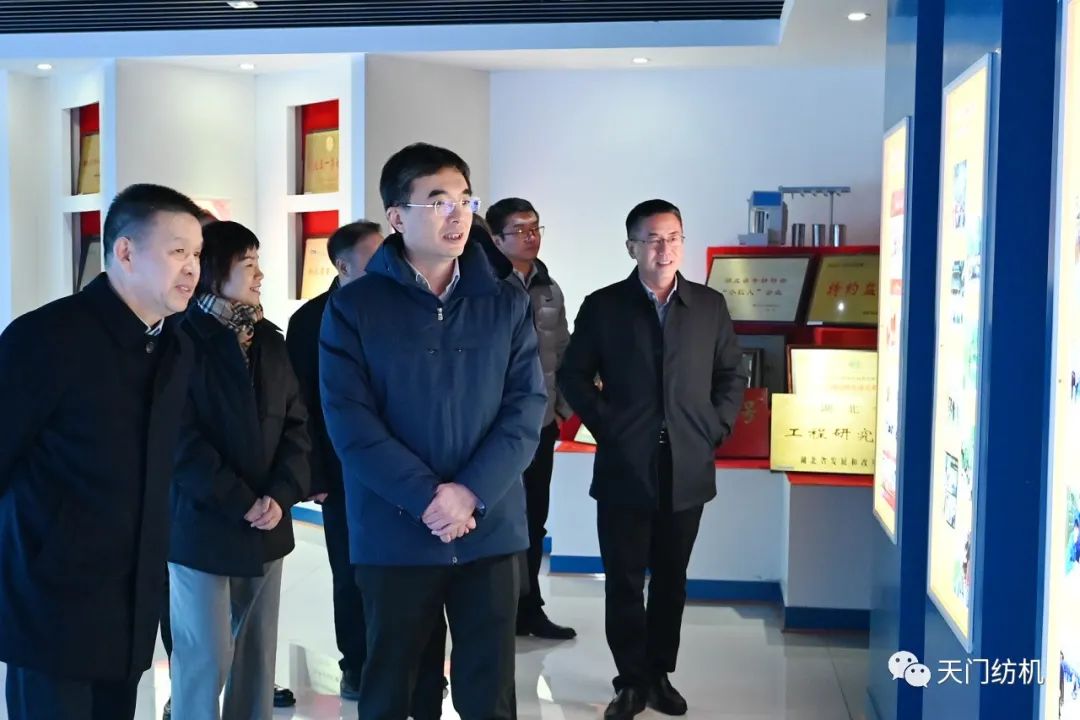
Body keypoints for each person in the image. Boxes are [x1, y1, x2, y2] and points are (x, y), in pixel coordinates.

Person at [320, 142, 546, 720]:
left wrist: (469, 493)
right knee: (395, 690)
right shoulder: (356, 307)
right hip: (395, 530)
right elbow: (350, 422)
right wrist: (428, 498)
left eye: (465, 200)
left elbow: (525, 408)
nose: (457, 214)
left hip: (488, 529)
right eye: (438, 201)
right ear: (397, 217)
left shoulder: (504, 300)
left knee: (489, 692)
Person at [0, 184, 203, 720]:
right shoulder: (46, 337)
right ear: (126, 252)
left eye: (197, 254)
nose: (191, 268)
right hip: (50, 606)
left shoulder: (175, 347)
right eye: (177, 251)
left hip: (129, 607)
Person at [557, 200, 745, 720]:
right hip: (625, 464)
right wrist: (608, 425)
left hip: (687, 462)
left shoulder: (708, 305)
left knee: (671, 577)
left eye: (674, 237)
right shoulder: (604, 306)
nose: (665, 249)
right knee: (623, 580)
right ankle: (630, 682)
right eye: (653, 239)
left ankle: (659, 674)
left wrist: (714, 427)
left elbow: (732, 374)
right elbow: (573, 374)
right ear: (632, 247)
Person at [286, 219, 448, 717]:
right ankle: (355, 662)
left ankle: (424, 671)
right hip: (342, 473)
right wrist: (314, 475)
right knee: (351, 573)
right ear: (343, 265)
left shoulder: (402, 305)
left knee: (421, 575)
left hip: (409, 469)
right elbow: (303, 404)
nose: (387, 263)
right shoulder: (311, 319)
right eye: (374, 256)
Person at [167, 220, 310, 720]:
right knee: (205, 655)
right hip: (202, 522)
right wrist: (240, 500)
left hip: (268, 521)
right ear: (214, 270)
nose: (260, 275)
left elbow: (297, 424)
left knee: (257, 657)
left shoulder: (268, 339)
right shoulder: (181, 339)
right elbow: (179, 440)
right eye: (248, 264)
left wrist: (281, 494)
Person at [487, 198, 576, 641]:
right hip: (493, 430)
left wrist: (560, 410)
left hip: (540, 426)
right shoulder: (483, 286)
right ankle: (495, 611)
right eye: (520, 230)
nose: (531, 237)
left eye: (535, 228)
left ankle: (529, 607)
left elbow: (563, 351)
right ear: (495, 239)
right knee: (496, 519)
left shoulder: (548, 288)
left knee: (534, 518)